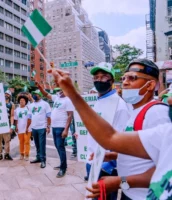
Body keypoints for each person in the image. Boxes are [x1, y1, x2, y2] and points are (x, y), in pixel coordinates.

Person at [48, 67, 172, 200]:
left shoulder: (157, 113)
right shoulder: (136, 111)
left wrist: (118, 180)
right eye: (124, 78)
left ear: (151, 85)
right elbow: (136, 146)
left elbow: (111, 138)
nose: (124, 82)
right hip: (127, 189)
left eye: (132, 78)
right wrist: (113, 156)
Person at [84, 62, 130, 200]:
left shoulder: (119, 105)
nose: (99, 80)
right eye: (96, 77)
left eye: (103, 77)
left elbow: (121, 139)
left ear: (111, 80)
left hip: (106, 167)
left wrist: (108, 165)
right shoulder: (100, 100)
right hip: (93, 161)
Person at [37, 84, 74, 178]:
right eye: (59, 90)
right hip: (55, 126)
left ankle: (63, 168)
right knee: (58, 146)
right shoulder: (57, 98)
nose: (60, 91)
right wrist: (40, 87)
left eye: (62, 90)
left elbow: (70, 115)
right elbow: (46, 94)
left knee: (60, 147)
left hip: (61, 127)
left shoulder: (68, 100)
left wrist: (66, 130)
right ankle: (62, 163)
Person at [27, 90, 51, 168]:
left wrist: (48, 126)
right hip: (34, 127)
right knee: (37, 144)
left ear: (40, 95)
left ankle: (43, 160)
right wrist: (28, 127)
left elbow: (48, 117)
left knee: (42, 144)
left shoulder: (45, 104)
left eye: (36, 94)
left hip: (42, 127)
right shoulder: (31, 105)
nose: (35, 95)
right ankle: (38, 157)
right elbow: (29, 117)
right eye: (34, 94)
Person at [0, 90, 15, 161]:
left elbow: (12, 116)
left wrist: (12, 126)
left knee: (7, 140)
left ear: (10, 96)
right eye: (5, 94)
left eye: (8, 94)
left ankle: (7, 154)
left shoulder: (11, 104)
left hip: (7, 124)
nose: (6, 95)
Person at [14, 94, 32, 161]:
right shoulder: (17, 110)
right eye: (20, 100)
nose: (21, 101)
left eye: (23, 100)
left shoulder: (28, 108)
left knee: (27, 142)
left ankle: (27, 154)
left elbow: (30, 119)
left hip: (27, 128)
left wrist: (27, 127)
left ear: (25, 101)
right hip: (20, 128)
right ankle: (21, 154)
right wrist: (16, 127)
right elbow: (16, 119)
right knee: (21, 141)